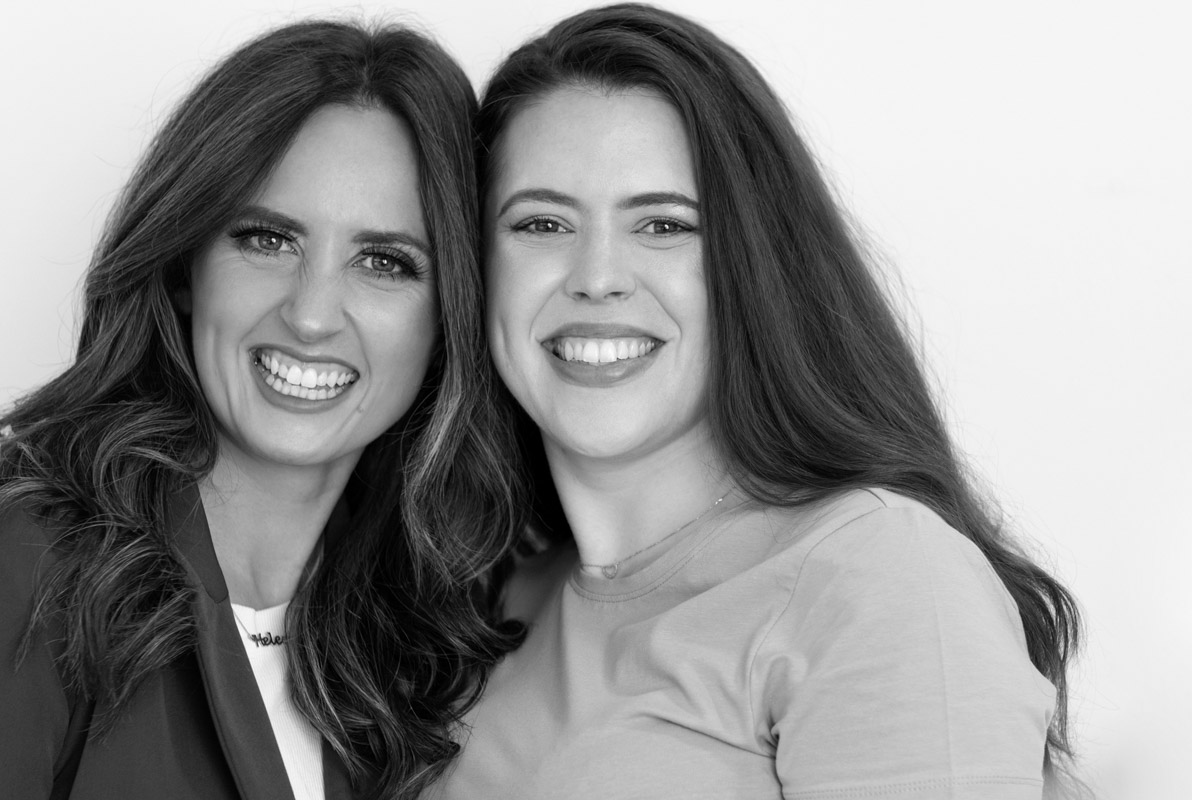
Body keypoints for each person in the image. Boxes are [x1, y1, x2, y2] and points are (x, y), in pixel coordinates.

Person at [428, 4, 1081, 799]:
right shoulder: (487, 603)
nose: (597, 276)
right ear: (476, 269)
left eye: (665, 225)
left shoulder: (877, 573)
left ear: (752, 265)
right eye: (541, 222)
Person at [0, 20, 523, 800]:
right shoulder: (31, 566)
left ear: (450, 319)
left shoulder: (427, 633)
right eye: (267, 239)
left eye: (384, 262)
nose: (311, 316)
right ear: (184, 265)